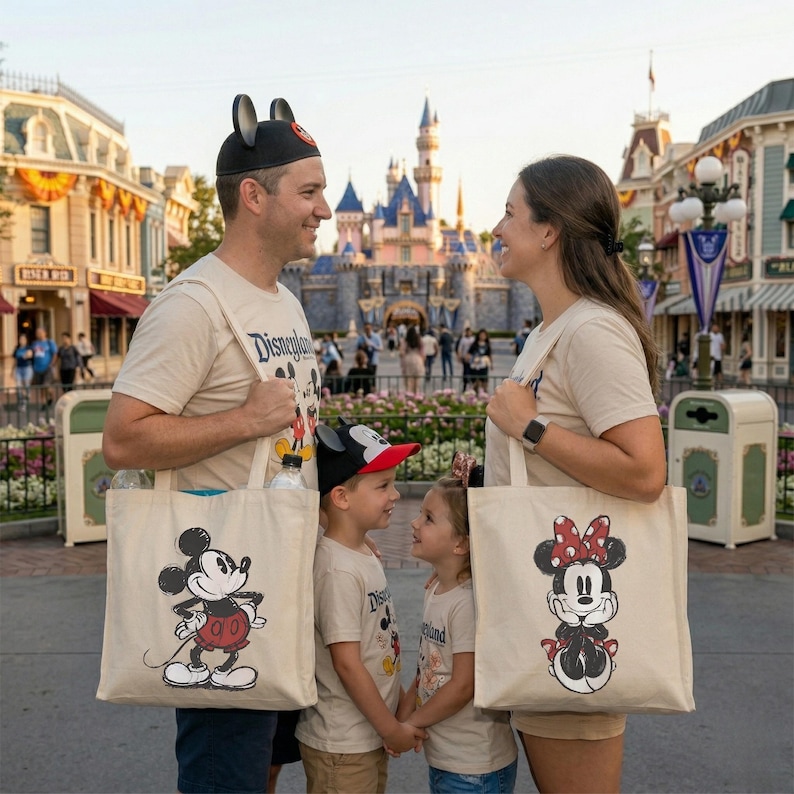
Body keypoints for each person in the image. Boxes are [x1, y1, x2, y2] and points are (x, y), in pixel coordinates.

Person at [102, 93, 331, 794]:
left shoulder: (283, 299)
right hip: (223, 586)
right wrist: (243, 421)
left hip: (287, 571)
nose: (324, 210)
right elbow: (122, 439)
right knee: (221, 769)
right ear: (255, 196)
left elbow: (288, 424)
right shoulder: (192, 305)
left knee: (259, 763)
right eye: (310, 191)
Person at [487, 154, 666, 794]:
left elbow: (645, 471)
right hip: (540, 598)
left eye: (510, 213)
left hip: (574, 608)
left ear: (549, 231)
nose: (497, 228)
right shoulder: (553, 331)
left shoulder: (593, 331)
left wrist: (529, 429)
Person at [295, 418, 426, 793]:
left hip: (365, 736)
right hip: (343, 744)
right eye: (383, 485)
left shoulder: (361, 553)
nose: (396, 494)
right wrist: (391, 728)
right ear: (341, 497)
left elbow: (375, 645)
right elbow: (347, 663)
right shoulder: (337, 570)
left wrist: (395, 714)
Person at [396, 455, 518, 793]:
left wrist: (410, 724)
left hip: (474, 767)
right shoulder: (435, 588)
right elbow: (426, 670)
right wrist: (398, 723)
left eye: (429, 518)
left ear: (461, 543)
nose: (415, 523)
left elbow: (464, 685)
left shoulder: (466, 603)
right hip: (448, 760)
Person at [30, 327, 57, 407]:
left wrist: (52, 364)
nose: (38, 334)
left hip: (47, 367)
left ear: (45, 333)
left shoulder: (49, 342)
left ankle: (52, 397)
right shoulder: (35, 343)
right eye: (37, 333)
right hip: (37, 368)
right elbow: (32, 353)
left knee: (46, 385)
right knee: (41, 387)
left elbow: (55, 353)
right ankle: (43, 402)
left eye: (40, 332)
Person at [400, 324, 425, 394]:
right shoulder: (419, 340)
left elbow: (402, 352)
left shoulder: (405, 341)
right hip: (418, 359)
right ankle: (416, 395)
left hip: (408, 359)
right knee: (417, 381)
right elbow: (422, 352)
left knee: (408, 381)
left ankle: (409, 396)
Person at [467, 328, 492, 393]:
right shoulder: (474, 344)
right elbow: (469, 353)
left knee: (484, 381)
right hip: (475, 366)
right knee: (475, 382)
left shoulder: (487, 345)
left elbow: (489, 355)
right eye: (481, 335)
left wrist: (491, 364)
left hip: (484, 366)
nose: (482, 336)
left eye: (484, 335)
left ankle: (484, 396)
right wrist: (468, 360)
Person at [13, 333, 34, 407]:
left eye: (23, 339)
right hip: (18, 368)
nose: (22, 341)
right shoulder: (17, 349)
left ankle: (26, 399)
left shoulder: (29, 347)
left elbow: (29, 355)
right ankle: (21, 401)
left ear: (26, 340)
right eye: (20, 339)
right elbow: (15, 360)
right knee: (18, 386)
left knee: (26, 384)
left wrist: (23, 356)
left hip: (27, 368)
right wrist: (13, 369)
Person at [455, 326, 475, 391]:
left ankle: (472, 385)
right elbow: (459, 348)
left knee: (472, 372)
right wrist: (459, 356)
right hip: (465, 358)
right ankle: (465, 384)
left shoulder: (473, 339)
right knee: (465, 372)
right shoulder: (463, 339)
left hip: (473, 359)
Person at [710, 322, 726, 386]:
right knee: (711, 371)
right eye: (714, 328)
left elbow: (722, 345)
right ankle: (711, 383)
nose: (715, 329)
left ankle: (720, 384)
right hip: (711, 355)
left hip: (718, 356)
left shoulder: (720, 335)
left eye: (716, 328)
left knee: (719, 371)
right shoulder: (710, 335)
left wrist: (723, 349)